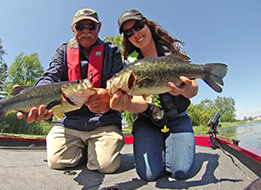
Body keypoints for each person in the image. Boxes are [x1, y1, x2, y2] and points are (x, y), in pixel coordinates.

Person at [17, 8, 124, 173]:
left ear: (99, 28)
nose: (86, 31)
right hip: (69, 122)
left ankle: (95, 147)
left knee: (106, 165)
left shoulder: (112, 51)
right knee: (56, 161)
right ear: (73, 29)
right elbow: (50, 77)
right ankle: (84, 149)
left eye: (91, 26)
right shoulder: (63, 51)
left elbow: (122, 84)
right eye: (80, 27)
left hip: (103, 122)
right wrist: (37, 96)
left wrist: (109, 98)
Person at [110, 9, 198, 181]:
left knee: (180, 171)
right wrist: (126, 105)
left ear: (147, 24)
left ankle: (171, 144)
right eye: (129, 32)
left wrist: (183, 90)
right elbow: (141, 103)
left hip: (178, 118)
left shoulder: (173, 48)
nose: (136, 33)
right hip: (147, 120)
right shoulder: (130, 62)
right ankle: (161, 144)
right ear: (127, 38)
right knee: (148, 174)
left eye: (138, 26)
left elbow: (193, 90)